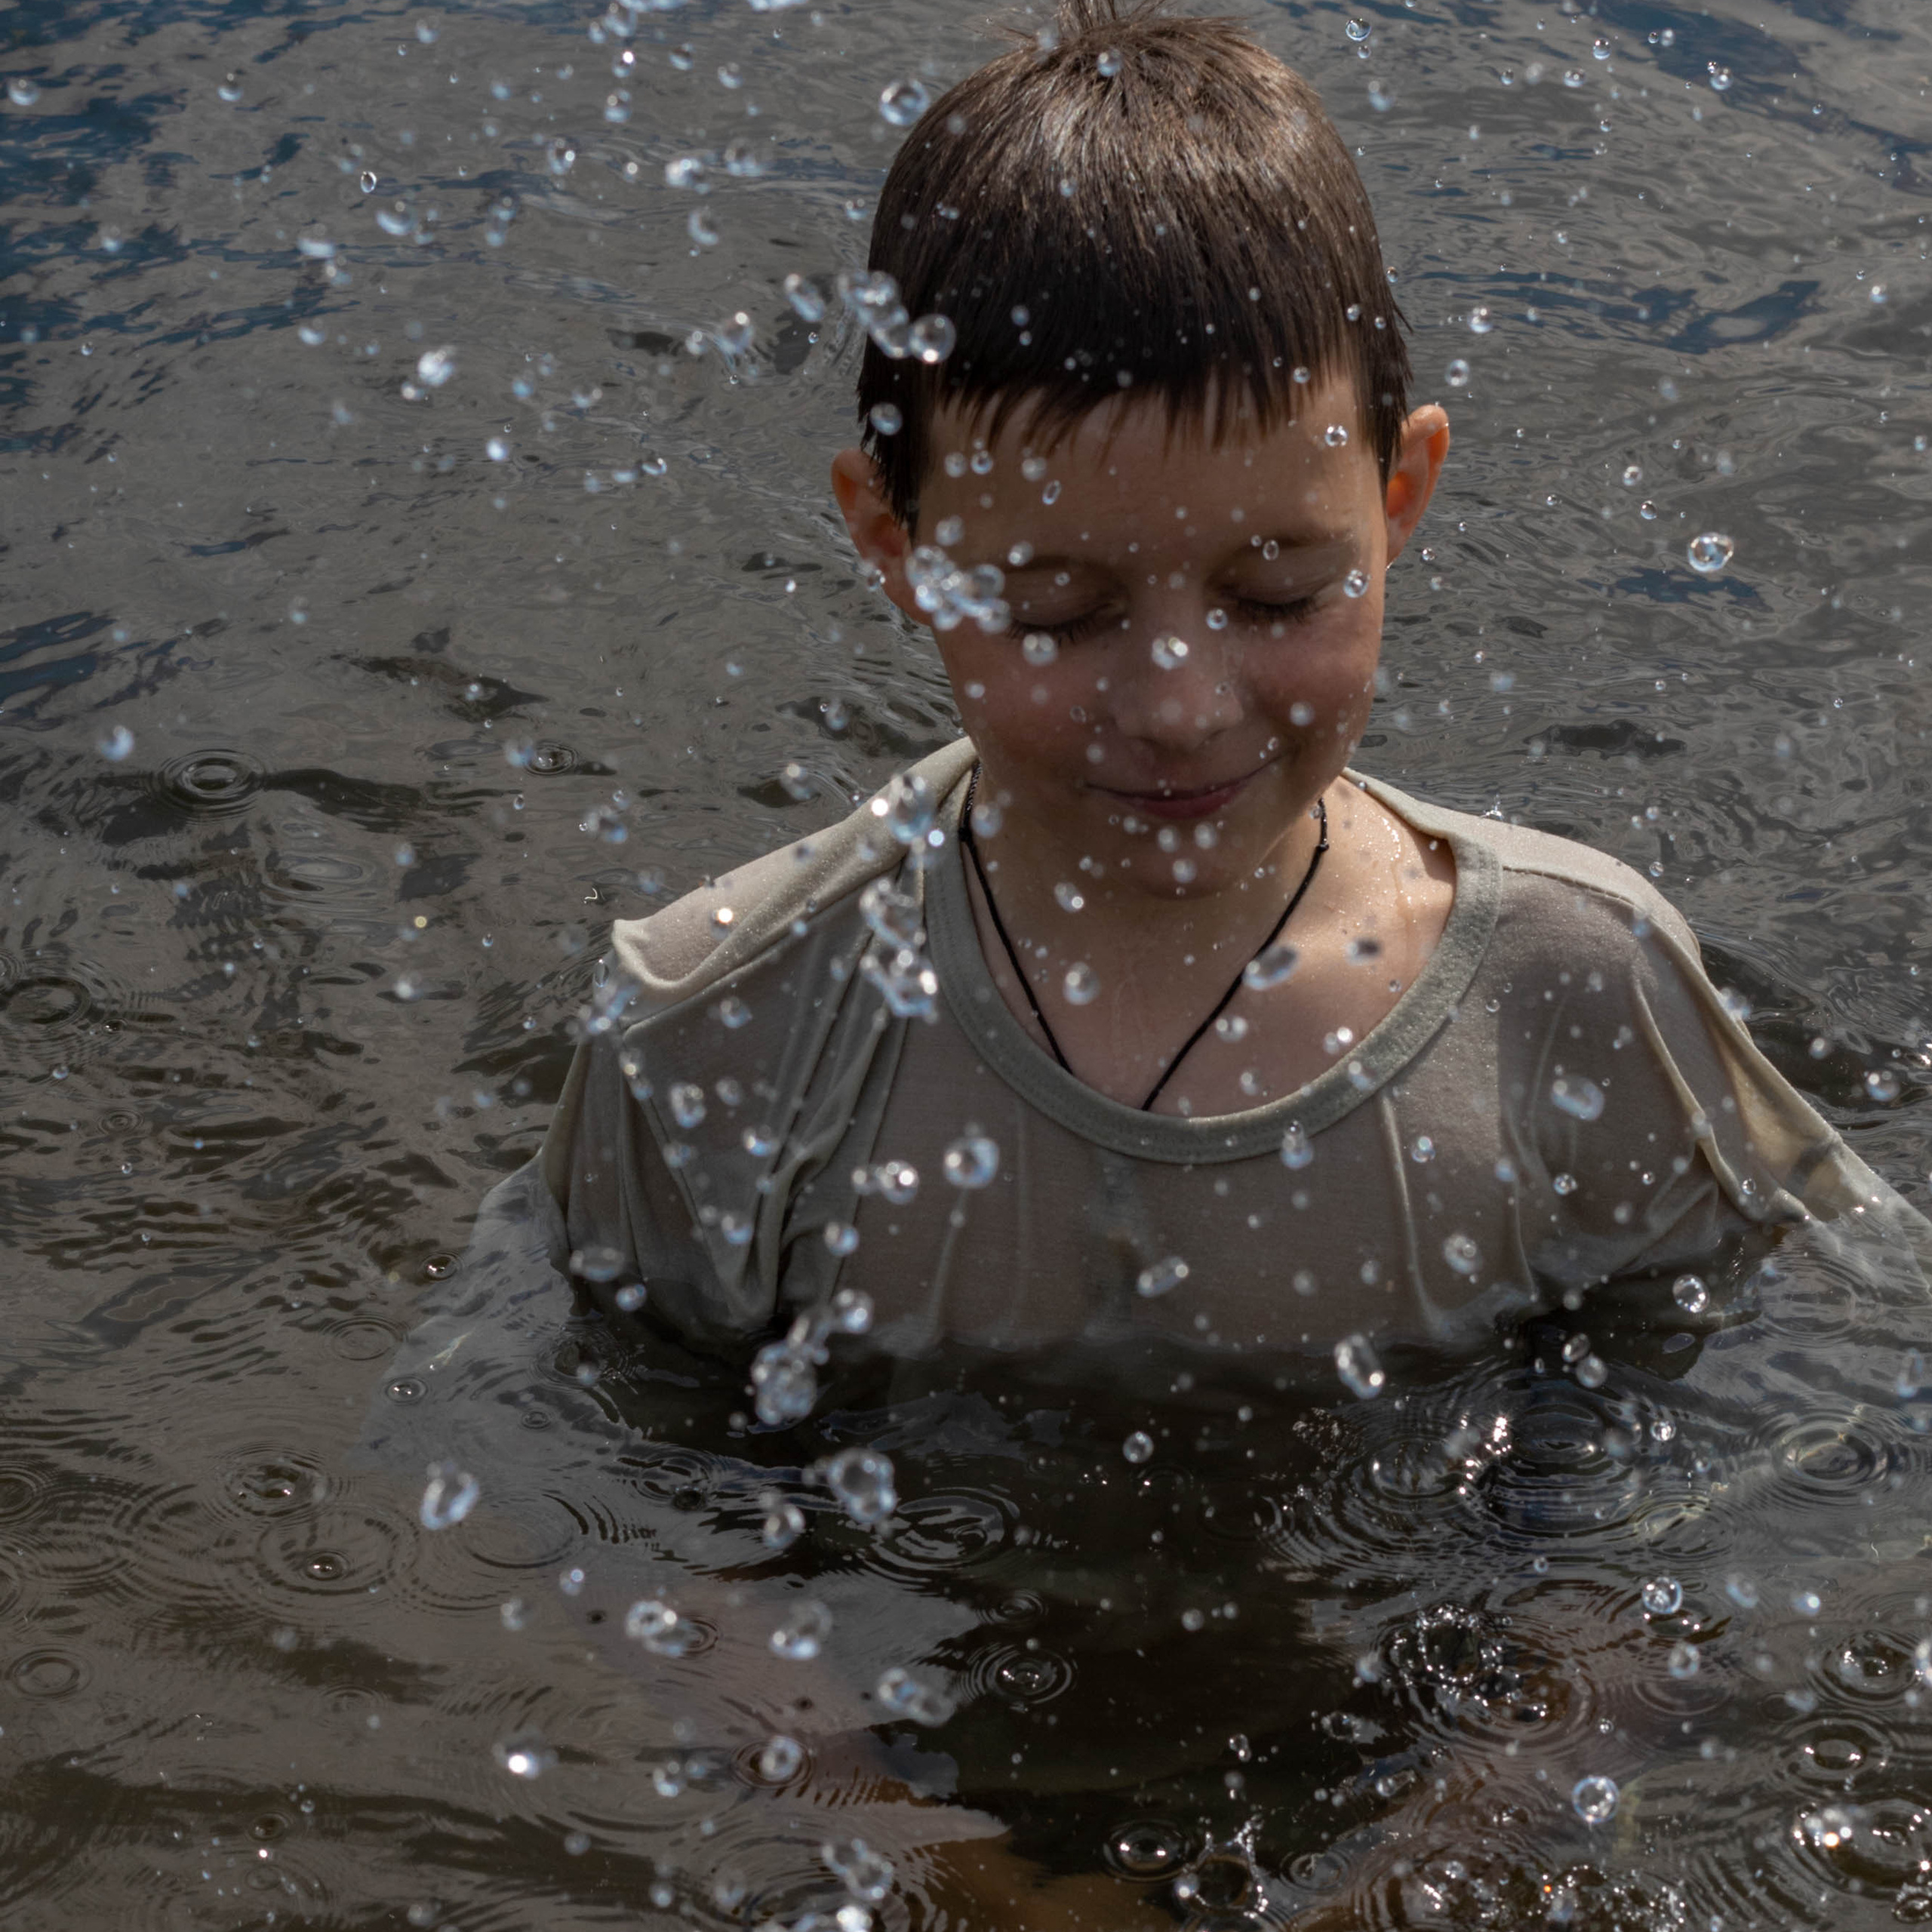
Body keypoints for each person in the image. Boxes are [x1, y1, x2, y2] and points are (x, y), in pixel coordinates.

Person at [368, 1, 1929, 1921]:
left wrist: (1476, 1818)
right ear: (893, 540)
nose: (1179, 698)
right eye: (1056, 606)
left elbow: (1817, 1392)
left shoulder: (1562, 988)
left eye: (1277, 589)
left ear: (1402, 497)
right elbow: (558, 1452)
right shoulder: (732, 1020)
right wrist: (908, 1846)